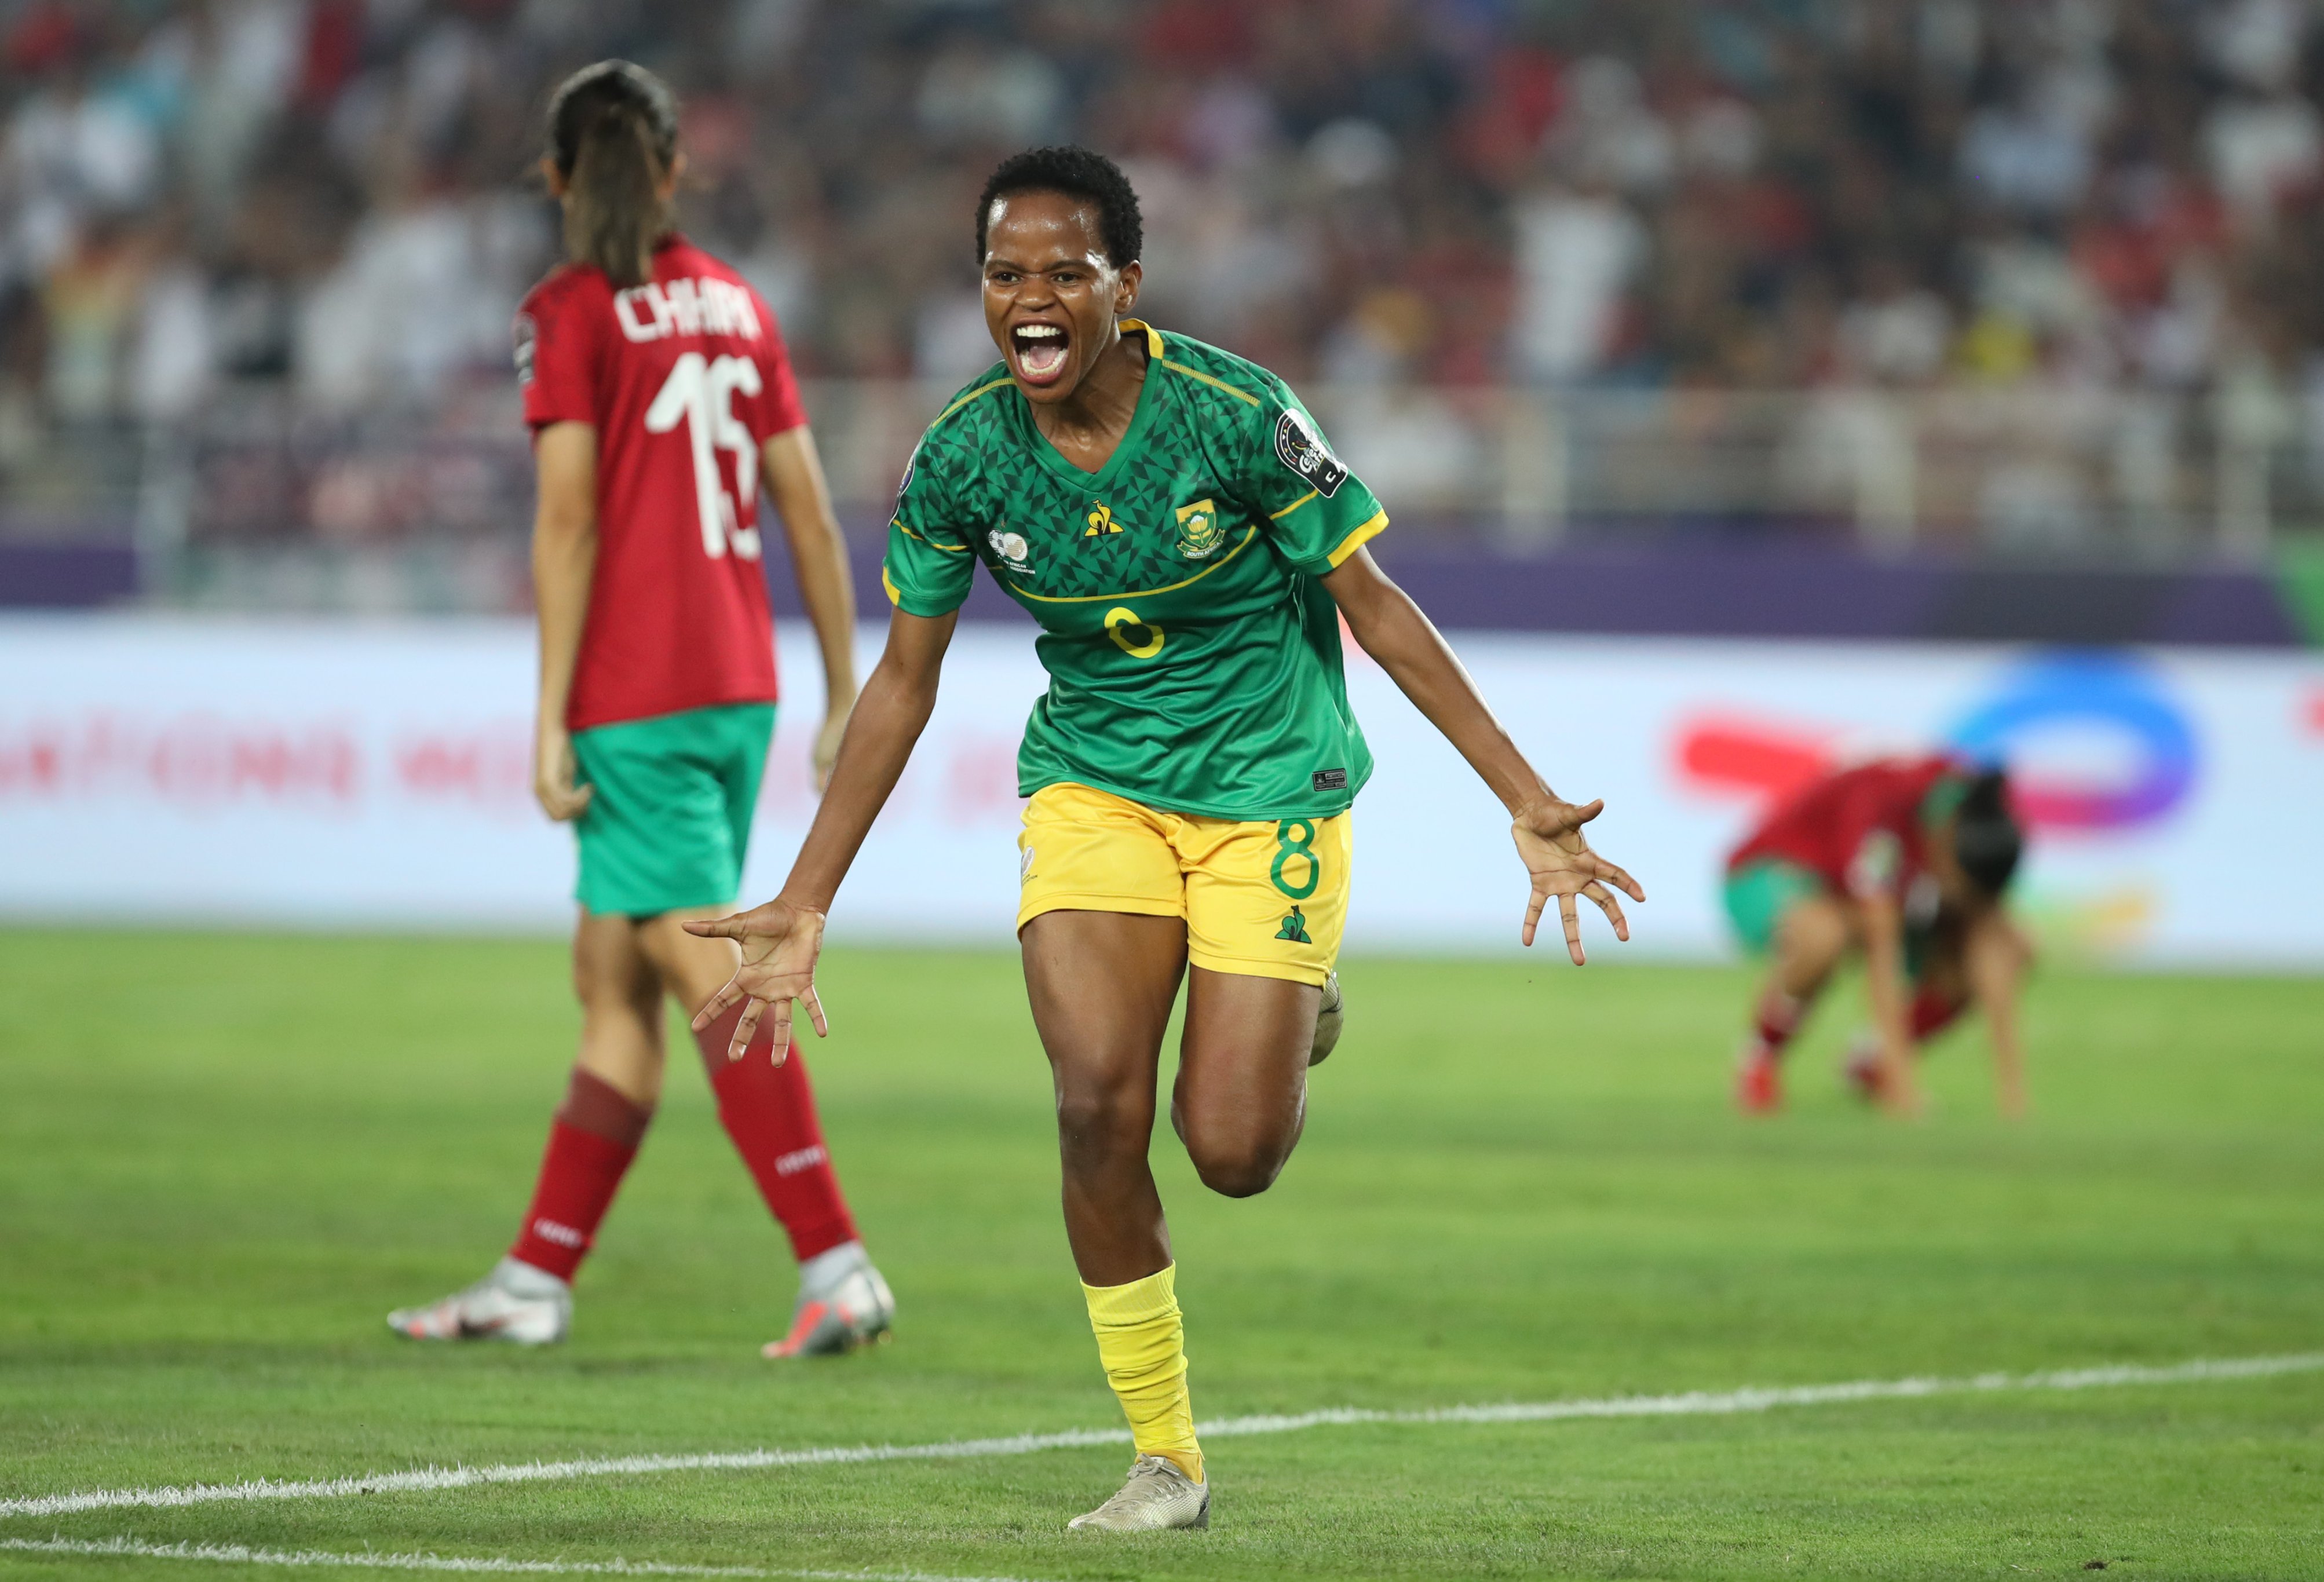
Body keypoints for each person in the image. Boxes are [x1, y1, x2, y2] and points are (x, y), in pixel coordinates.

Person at [680, 146, 1644, 1531]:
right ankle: (1165, 1458)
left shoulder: (1234, 415)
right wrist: (805, 893)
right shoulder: (961, 455)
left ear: (1123, 289)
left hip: (1270, 786)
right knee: (1092, 1105)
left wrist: (1524, 794)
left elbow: (1370, 603)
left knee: (1233, 1150)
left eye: (1063, 273)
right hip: (1096, 790)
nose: (1030, 297)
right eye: (1005, 273)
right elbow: (905, 679)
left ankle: (1295, 1001)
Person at [388, 61, 891, 1357]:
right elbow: (808, 512)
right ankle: (535, 1279)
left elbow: (565, 523)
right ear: (673, 172)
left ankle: (835, 1261)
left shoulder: (565, 312)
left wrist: (550, 717)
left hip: (637, 697)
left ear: (556, 179)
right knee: (608, 976)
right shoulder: (738, 305)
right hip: (737, 689)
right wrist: (842, 682)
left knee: (695, 963)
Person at [1724, 755, 2030, 1119]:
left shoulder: (1985, 817)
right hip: (1776, 872)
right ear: (1945, 843)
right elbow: (1884, 955)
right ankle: (1760, 1056)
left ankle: (1871, 1061)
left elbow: (1991, 943)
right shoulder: (1884, 815)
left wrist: (2013, 1099)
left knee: (2013, 948)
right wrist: (1904, 1093)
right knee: (1822, 937)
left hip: (1866, 896)